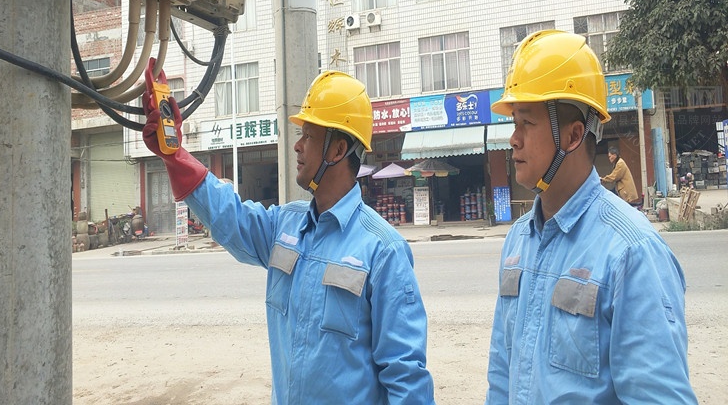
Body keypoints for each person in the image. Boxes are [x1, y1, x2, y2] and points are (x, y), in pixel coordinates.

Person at [143, 69, 435, 404]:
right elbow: (231, 216)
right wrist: (175, 154)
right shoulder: (285, 226)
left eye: (308, 136)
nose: (296, 146)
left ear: (337, 150)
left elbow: (406, 376)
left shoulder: (383, 250)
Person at [485, 30, 697, 404]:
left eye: (526, 123)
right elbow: (503, 373)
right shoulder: (518, 240)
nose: (513, 139)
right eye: (513, 123)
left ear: (573, 135)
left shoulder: (632, 253)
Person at [600, 145, 643, 210]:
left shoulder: (620, 163)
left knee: (623, 208)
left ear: (614, 155)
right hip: (620, 189)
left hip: (625, 190)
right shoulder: (617, 163)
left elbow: (614, 177)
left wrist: (602, 179)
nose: (609, 158)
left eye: (610, 156)